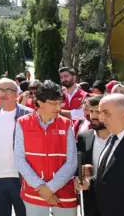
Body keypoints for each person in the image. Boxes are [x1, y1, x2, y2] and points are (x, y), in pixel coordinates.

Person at [14, 80, 78, 216]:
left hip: (64, 192)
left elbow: (72, 161)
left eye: (60, 103)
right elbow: (19, 159)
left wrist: (50, 188)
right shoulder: (23, 123)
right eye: (53, 103)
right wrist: (40, 187)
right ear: (40, 102)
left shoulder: (66, 124)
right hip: (34, 191)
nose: (58, 108)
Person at [77, 94, 124, 216]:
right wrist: (90, 183)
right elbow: (111, 176)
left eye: (105, 113)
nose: (101, 118)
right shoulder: (113, 138)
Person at [0, 78, 31, 216]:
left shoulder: (28, 114)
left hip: (21, 177)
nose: (3, 94)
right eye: (0, 90)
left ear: (17, 94)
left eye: (8, 90)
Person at [75, 95, 109, 216]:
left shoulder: (120, 138)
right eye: (91, 111)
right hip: (90, 198)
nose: (93, 116)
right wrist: (79, 174)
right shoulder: (84, 137)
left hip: (115, 198)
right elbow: (76, 164)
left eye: (97, 111)